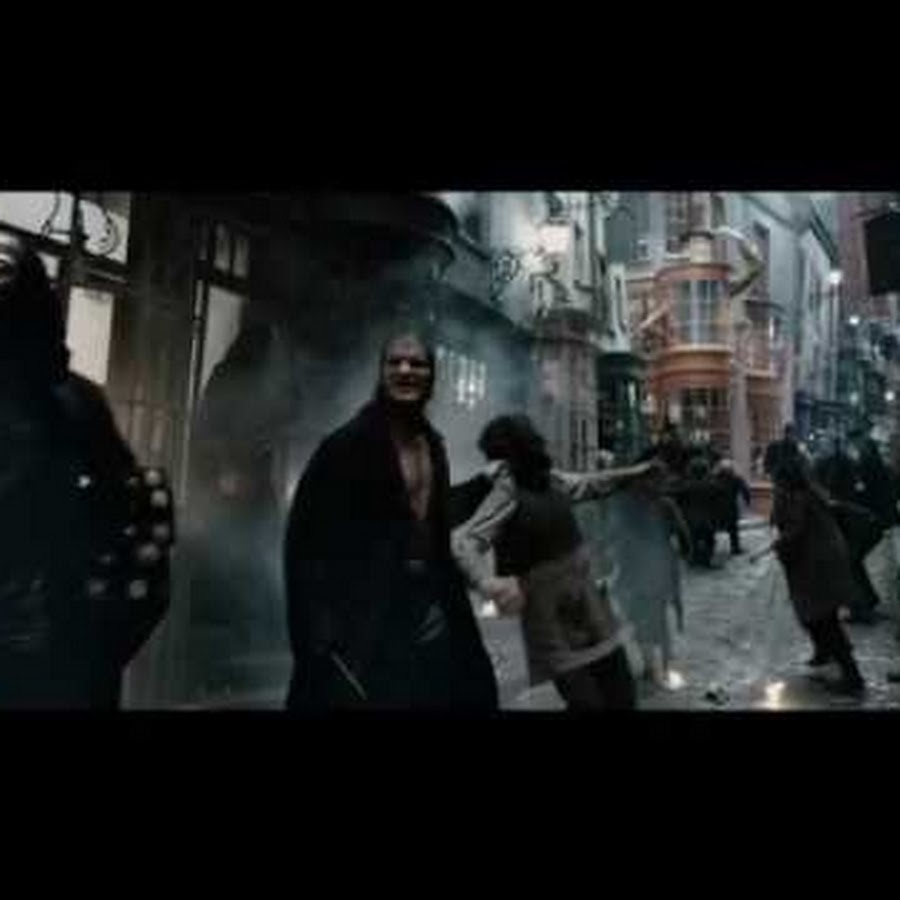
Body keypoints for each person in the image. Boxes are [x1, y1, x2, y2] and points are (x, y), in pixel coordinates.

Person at [0, 228, 173, 708]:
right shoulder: (80, 405)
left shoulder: (79, 408)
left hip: (58, 657)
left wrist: (90, 651)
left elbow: (141, 541)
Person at [283, 329, 497, 710]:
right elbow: (305, 542)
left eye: (417, 363)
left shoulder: (433, 446)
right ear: (381, 373)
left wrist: (483, 483)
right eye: (394, 362)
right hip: (366, 620)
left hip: (427, 612)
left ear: (432, 375)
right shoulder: (346, 446)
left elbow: (428, 519)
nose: (405, 370)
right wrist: (320, 631)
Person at [450, 414, 656, 711]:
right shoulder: (507, 490)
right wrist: (487, 582)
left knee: (621, 693)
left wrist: (635, 473)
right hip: (550, 616)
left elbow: (591, 484)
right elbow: (464, 542)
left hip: (588, 605)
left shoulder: (552, 480)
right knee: (586, 701)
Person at [768, 457, 865, 697]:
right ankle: (830, 655)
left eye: (776, 481)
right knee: (820, 617)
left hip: (816, 566)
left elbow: (795, 531)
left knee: (823, 619)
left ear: (784, 480)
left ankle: (852, 676)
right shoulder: (810, 493)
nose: (775, 485)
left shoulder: (797, 498)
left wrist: (779, 543)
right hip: (823, 562)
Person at [712, 458, 751, 555]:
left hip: (717, 507)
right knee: (733, 529)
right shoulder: (736, 478)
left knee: (714, 528)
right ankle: (735, 548)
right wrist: (747, 501)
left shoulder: (714, 478)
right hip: (730, 507)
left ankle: (711, 547)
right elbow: (745, 491)